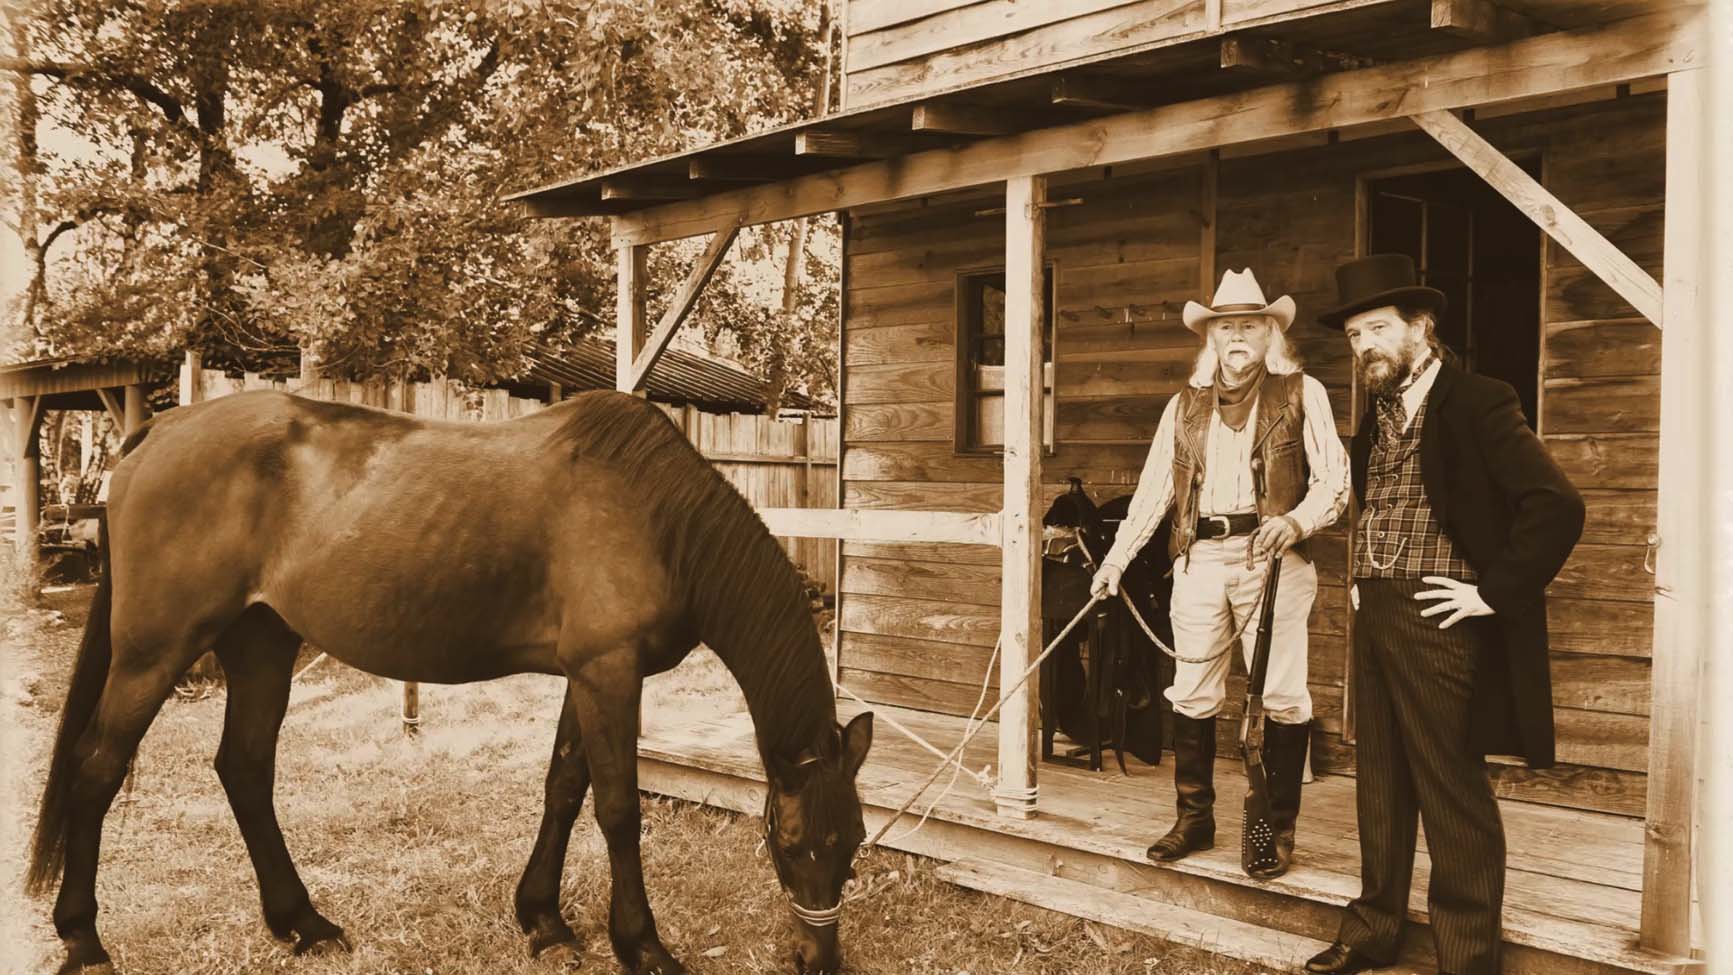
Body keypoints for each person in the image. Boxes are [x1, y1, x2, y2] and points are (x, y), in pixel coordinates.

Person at [1303, 254, 1585, 975]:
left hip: (1440, 617)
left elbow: (1555, 505)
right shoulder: (1376, 415)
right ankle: (1372, 929)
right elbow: (1385, 506)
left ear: (1420, 327)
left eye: (1376, 328)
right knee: (1381, 782)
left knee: (1449, 787)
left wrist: (1491, 592)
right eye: (1354, 334)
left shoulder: (1478, 400)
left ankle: (1466, 958)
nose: (1363, 344)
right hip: (1377, 611)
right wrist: (1366, 582)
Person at [1090, 268, 1350, 879]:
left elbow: (1335, 482)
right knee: (1194, 691)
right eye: (1225, 326)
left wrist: (1297, 523)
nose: (1237, 336)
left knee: (1282, 696)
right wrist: (1114, 562)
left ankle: (1273, 829)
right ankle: (1195, 819)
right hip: (1200, 561)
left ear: (1269, 335)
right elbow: (1153, 494)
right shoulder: (1183, 408)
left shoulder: (1301, 392)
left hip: (1273, 560)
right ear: (1210, 338)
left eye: (1250, 326)